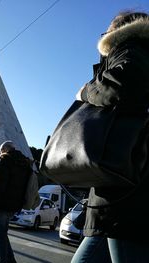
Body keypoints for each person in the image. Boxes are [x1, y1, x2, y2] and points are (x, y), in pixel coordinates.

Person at [71, 11, 149, 263]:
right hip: (116, 196)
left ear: (117, 31)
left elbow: (119, 86)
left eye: (107, 30)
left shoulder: (132, 49)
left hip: (125, 195)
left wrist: (86, 91)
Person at [0, 141, 31, 263]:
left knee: (0, 235)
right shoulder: (25, 163)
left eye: (1, 151)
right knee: (2, 233)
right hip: (16, 205)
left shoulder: (5, 160)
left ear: (4, 149)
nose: (0, 154)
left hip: (5, 204)